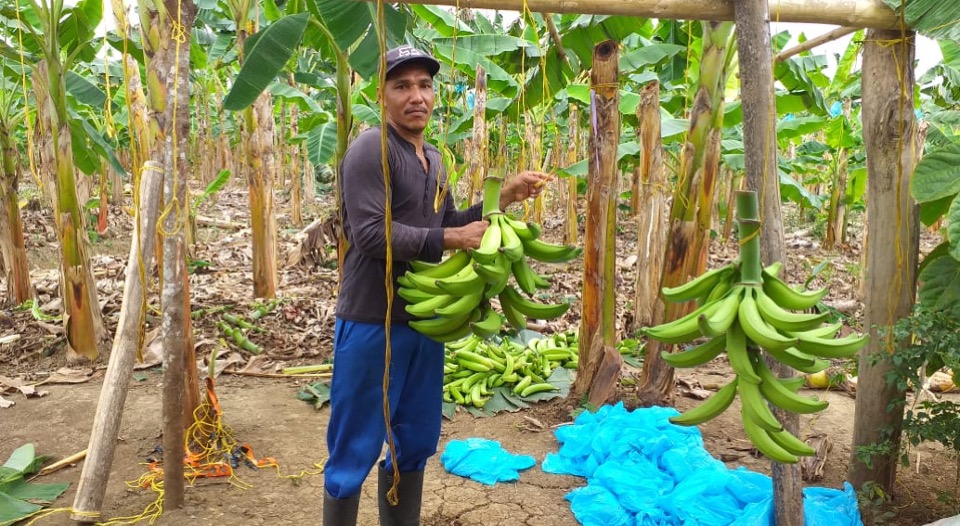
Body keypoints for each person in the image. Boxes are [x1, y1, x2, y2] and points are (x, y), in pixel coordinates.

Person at [323, 44, 550, 526]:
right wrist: (452, 235)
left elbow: (445, 223)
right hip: (372, 320)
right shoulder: (371, 148)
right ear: (381, 94)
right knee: (354, 447)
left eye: (424, 85)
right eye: (402, 86)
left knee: (415, 440)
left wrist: (500, 199)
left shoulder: (433, 158)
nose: (416, 96)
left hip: (426, 319)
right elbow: (367, 234)